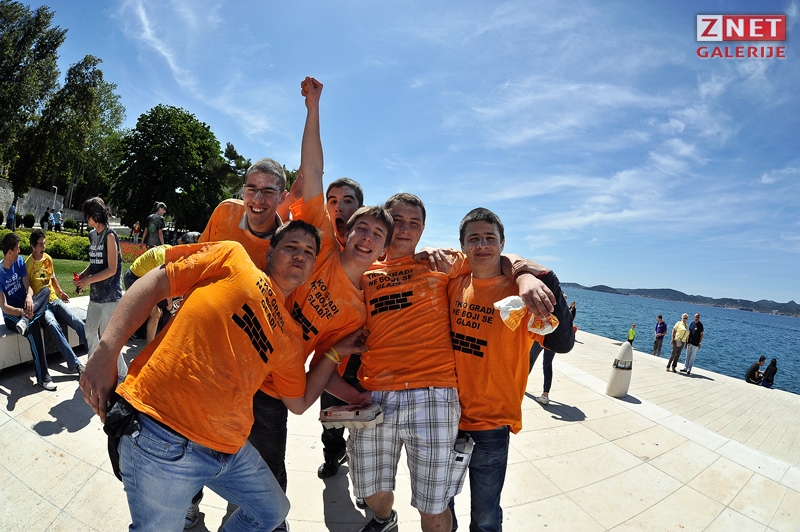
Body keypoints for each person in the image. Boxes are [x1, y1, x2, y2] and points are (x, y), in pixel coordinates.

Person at [79, 221, 368, 532]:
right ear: (270, 252)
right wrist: (106, 351)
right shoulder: (234, 257)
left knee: (272, 512)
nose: (301, 255)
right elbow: (157, 281)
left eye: (309, 252)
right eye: (292, 246)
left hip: (228, 448)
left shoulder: (290, 335)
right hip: (161, 431)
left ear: (312, 269)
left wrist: (334, 352)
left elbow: (298, 402)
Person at [349, 193, 556, 532]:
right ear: (385, 224)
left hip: (434, 392)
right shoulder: (365, 270)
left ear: (423, 229)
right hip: (378, 391)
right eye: (398, 221)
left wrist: (524, 276)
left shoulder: (442, 262)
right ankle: (385, 519)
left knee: (434, 504)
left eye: (414, 223)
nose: (405, 229)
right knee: (370, 489)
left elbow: (493, 254)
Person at [245, 78, 387, 531]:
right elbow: (313, 168)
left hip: (273, 385)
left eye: (377, 235)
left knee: (268, 467)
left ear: (383, 248)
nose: (365, 237)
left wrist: (356, 396)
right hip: (237, 355)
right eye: (361, 227)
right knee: (204, 442)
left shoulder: (360, 309)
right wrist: (313, 107)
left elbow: (323, 365)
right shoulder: (321, 243)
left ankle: (272, 522)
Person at [449, 207, 574, 532]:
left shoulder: (521, 294)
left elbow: (561, 342)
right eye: (473, 239)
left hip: (492, 424)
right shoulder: (453, 284)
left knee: (486, 517)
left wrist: (542, 277)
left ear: (502, 243)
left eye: (490, 238)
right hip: (444, 418)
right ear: (463, 245)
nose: (482, 245)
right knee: (440, 508)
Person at [200, 160, 288, 270]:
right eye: (251, 189)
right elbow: (198, 257)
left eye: (268, 192)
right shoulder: (226, 210)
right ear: (243, 192)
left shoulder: (286, 246)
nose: (258, 200)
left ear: (282, 196)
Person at [75, 197, 127, 381]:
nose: (86, 218)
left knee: (107, 338)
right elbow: (95, 263)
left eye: (88, 215)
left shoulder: (110, 235)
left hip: (110, 296)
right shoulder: (92, 234)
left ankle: (123, 374)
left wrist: (88, 281)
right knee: (90, 332)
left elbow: (112, 268)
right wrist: (83, 275)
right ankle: (93, 369)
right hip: (96, 295)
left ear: (96, 215)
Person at [25, 229, 87, 375]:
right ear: (33, 246)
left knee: (77, 321)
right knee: (53, 325)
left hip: (55, 301)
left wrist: (60, 292)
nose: (44, 247)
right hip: (42, 306)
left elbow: (52, 278)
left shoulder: (48, 259)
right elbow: (27, 288)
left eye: (44, 243)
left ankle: (97, 353)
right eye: (40, 244)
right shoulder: (28, 265)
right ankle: (76, 365)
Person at [1, 233, 56, 390]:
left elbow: (28, 287)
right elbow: (4, 307)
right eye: (17, 248)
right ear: (9, 252)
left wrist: (29, 297)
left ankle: (26, 320)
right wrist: (21, 313)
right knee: (34, 327)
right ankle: (43, 378)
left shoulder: (19, 262)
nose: (20, 251)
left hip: (27, 308)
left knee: (45, 291)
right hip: (12, 315)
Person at [123, 232, 201, 344]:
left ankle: (158, 335)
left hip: (147, 280)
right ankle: (150, 346)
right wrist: (170, 301)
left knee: (171, 304)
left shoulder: (174, 253)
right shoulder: (163, 257)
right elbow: (162, 283)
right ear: (181, 244)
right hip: (134, 279)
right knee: (156, 313)